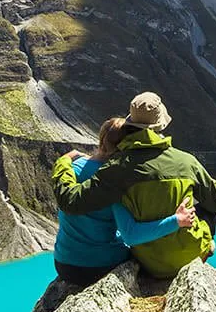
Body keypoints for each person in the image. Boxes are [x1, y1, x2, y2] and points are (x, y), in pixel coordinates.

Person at [53, 92, 216, 279]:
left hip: (145, 260)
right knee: (207, 204)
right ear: (161, 124)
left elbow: (72, 202)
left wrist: (63, 162)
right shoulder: (187, 162)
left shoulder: (117, 168)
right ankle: (205, 247)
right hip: (186, 252)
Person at [53, 117, 197, 287]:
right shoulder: (115, 179)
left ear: (101, 139)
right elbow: (131, 234)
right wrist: (177, 220)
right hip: (99, 266)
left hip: (64, 264)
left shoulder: (74, 166)